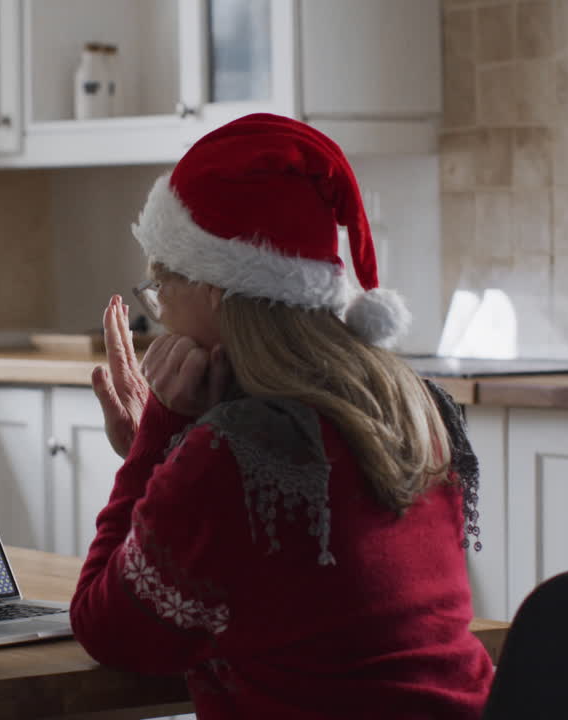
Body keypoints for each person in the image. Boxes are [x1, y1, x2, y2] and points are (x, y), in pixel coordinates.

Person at [71, 113, 492, 719]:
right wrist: (177, 458)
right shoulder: (416, 406)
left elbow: (106, 630)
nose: (159, 317)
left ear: (216, 289)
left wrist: (157, 442)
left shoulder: (230, 455)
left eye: (162, 288)